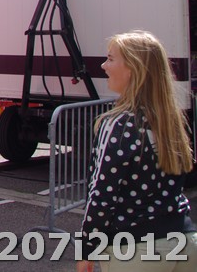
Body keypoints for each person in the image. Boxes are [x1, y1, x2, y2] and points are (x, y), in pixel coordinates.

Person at [76, 30, 197, 271]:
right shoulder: (171, 121)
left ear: (133, 69)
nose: (103, 65)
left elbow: (101, 195)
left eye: (110, 59)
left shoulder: (118, 124)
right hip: (184, 240)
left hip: (136, 250)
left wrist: (86, 248)